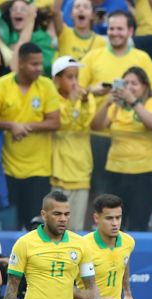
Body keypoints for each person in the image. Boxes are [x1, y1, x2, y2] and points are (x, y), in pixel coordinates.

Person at [79, 10, 152, 198]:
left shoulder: (141, 57)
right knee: (96, 190)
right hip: (98, 132)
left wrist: (136, 103)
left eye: (120, 29)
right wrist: (93, 90)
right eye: (111, 28)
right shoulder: (93, 56)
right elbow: (78, 90)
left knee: (121, 196)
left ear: (130, 31)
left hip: (134, 134)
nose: (114, 33)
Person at [0, 42, 61, 230]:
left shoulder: (47, 86)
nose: (39, 68)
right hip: (8, 170)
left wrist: (24, 127)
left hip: (39, 170)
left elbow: (55, 122)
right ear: (21, 63)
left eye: (40, 64)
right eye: (34, 64)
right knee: (10, 226)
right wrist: (10, 125)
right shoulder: (0, 86)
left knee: (38, 227)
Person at [90, 66, 152, 232]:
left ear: (145, 86)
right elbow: (96, 126)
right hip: (116, 171)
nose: (129, 87)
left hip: (146, 173)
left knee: (139, 222)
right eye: (126, 83)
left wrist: (134, 102)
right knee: (114, 224)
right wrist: (107, 103)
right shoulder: (116, 106)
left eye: (134, 84)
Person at [50, 56, 95, 232]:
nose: (75, 82)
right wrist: (72, 101)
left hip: (81, 170)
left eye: (76, 77)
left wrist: (81, 101)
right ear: (57, 80)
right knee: (56, 228)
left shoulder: (85, 98)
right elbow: (62, 124)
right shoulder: (51, 99)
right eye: (70, 77)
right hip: (57, 170)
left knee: (75, 228)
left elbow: (84, 123)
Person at [0, 0, 56, 75]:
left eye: (23, 9)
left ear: (31, 14)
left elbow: (56, 11)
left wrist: (31, 19)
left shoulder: (42, 39)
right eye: (14, 9)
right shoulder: (0, 36)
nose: (18, 11)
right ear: (9, 14)